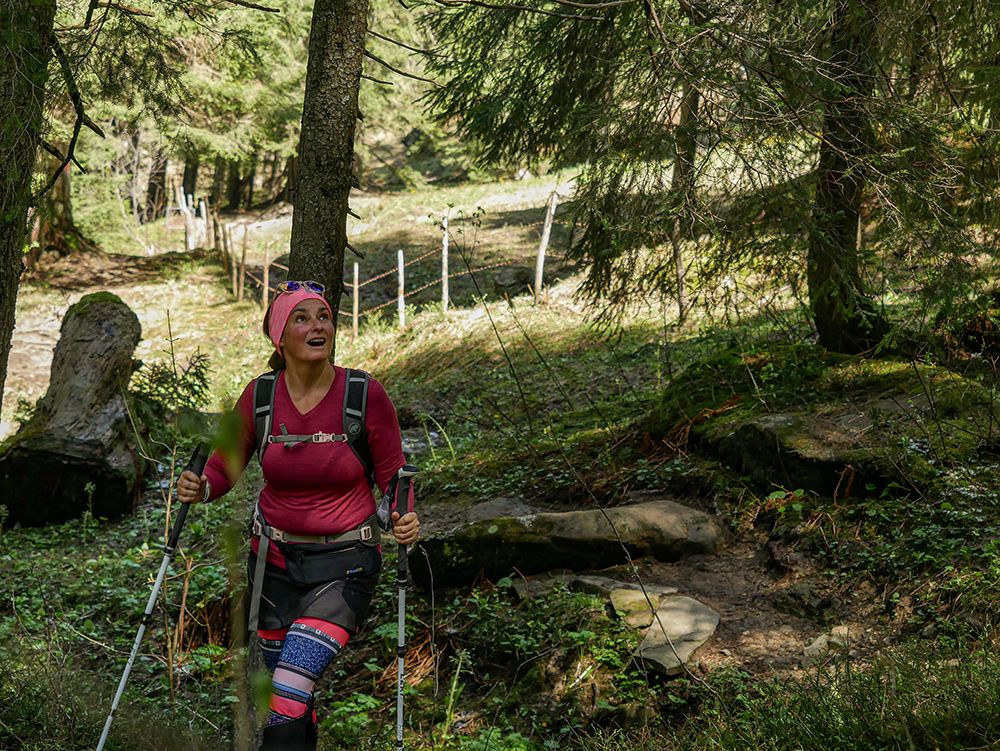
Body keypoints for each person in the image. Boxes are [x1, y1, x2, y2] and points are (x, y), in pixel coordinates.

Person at [176, 280, 419, 751]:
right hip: (273, 565)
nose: (317, 326)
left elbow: (393, 475)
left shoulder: (363, 394)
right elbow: (224, 465)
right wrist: (202, 486)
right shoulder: (259, 397)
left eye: (323, 316)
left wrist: (401, 515)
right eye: (301, 318)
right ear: (279, 336)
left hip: (345, 564)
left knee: (287, 690)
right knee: (290, 698)